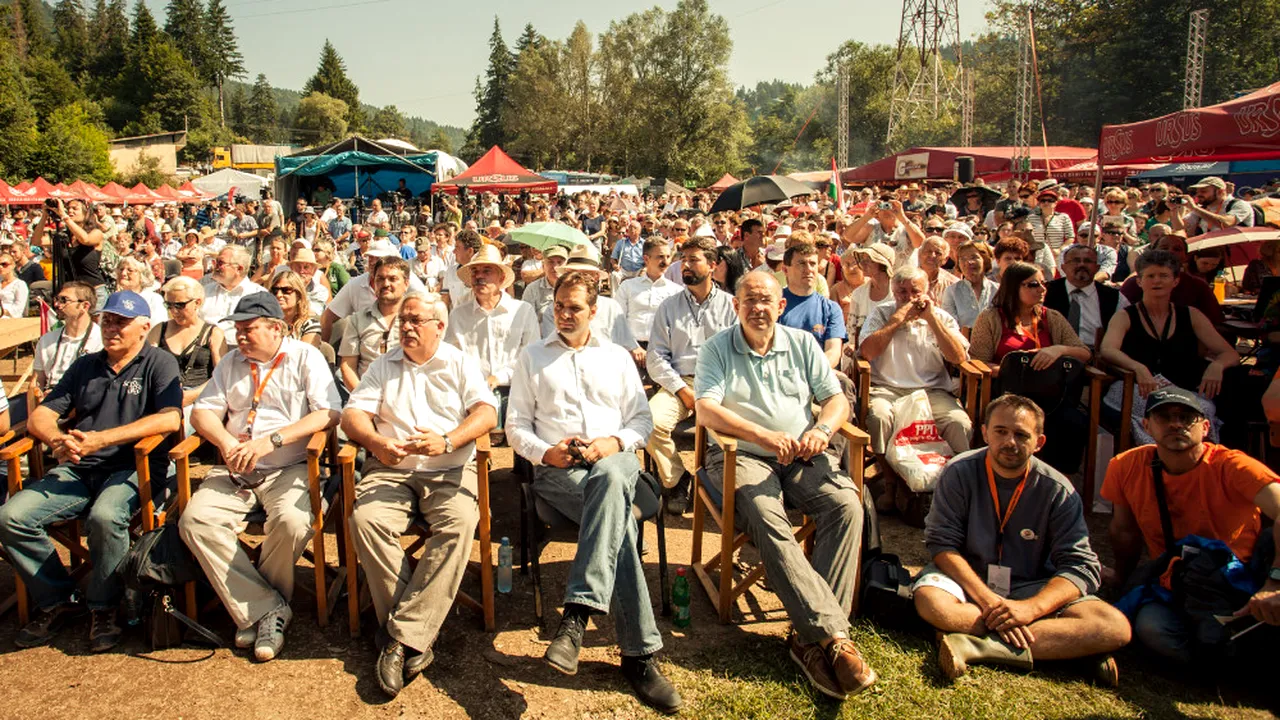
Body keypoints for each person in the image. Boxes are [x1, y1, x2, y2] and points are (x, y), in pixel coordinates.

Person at [694, 271, 876, 701]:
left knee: (846, 504)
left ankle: (807, 638)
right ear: (736, 305)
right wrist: (762, 436)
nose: (758, 308)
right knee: (764, 514)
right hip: (741, 455)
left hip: (799, 453)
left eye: (766, 301)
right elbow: (706, 411)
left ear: (780, 306)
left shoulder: (802, 343)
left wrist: (823, 429)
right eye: (750, 299)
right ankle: (834, 639)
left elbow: (836, 399)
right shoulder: (717, 347)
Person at [506, 271, 681, 714]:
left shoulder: (617, 357)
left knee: (609, 479)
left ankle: (576, 618)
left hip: (615, 460)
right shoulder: (532, 357)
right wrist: (545, 453)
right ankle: (639, 658)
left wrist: (612, 443)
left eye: (574, 308)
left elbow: (641, 420)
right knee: (620, 525)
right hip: (560, 471)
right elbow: (516, 425)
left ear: (594, 311)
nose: (564, 315)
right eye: (558, 307)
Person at [0, 291, 181, 651]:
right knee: (10, 517)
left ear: (144, 327)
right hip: (79, 467)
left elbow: (170, 418)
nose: (111, 328)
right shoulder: (86, 365)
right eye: (106, 321)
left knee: (105, 516)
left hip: (133, 466)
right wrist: (56, 439)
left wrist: (102, 439)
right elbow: (41, 415)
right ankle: (59, 599)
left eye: (121, 322)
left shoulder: (159, 363)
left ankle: (104, 606)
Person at [343, 291, 499, 698]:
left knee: (460, 524)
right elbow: (352, 415)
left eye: (416, 321)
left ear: (439, 327)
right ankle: (414, 632)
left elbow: (487, 413)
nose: (407, 327)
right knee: (366, 520)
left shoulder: (459, 362)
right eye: (403, 321)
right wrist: (376, 442)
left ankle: (398, 637)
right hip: (391, 470)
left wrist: (447, 441)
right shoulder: (384, 364)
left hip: (448, 469)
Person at [915, 394, 1131, 683]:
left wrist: (1030, 609)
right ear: (984, 433)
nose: (1010, 442)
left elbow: (1081, 565)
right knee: (933, 603)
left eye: (1021, 435)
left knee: (1113, 626)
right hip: (970, 582)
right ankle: (1067, 647)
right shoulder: (959, 472)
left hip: (1033, 584)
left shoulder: (1058, 490)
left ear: (1039, 442)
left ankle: (979, 646)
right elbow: (942, 544)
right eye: (1001, 431)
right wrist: (989, 601)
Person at [180, 292, 341, 662]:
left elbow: (329, 413)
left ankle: (255, 608)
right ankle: (269, 610)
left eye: (248, 329)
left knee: (294, 522)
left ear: (276, 329)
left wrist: (272, 441)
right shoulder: (231, 362)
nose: (239, 336)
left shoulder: (305, 356)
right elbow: (203, 412)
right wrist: (224, 442)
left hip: (289, 465)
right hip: (236, 468)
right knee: (195, 521)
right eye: (237, 329)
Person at [1104, 386, 1280, 665]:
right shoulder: (1125, 466)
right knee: (1152, 629)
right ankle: (1226, 656)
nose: (1176, 424)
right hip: (1175, 583)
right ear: (1147, 426)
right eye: (1164, 417)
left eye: (1186, 417)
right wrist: (1122, 579)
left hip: (1242, 581)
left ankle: (1229, 650)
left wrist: (1274, 582)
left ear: (1206, 427)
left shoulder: (1234, 465)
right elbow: (1124, 532)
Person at [1101, 250, 1239, 446]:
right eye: (1150, 276)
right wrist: (1137, 367)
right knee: (1163, 412)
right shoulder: (1125, 316)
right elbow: (1108, 349)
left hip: (1182, 388)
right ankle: (1156, 456)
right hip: (1137, 388)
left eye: (1163, 276)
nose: (1157, 281)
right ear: (1139, 281)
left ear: (1175, 281)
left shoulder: (1191, 315)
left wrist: (1217, 366)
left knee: (1202, 409)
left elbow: (1230, 353)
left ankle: (1194, 458)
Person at [859, 267, 972, 500]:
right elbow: (867, 352)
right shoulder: (882, 313)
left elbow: (959, 357)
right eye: (902, 292)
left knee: (958, 422)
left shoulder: (940, 317)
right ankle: (890, 482)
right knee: (879, 417)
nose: (909, 298)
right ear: (893, 291)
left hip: (932, 390)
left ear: (926, 292)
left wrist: (931, 319)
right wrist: (897, 319)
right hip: (887, 388)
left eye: (915, 292)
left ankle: (956, 485)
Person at [969, 261, 1092, 472]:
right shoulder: (990, 317)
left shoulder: (1051, 317)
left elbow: (1084, 353)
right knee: (1016, 422)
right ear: (1014, 287)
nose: (1042, 289)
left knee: (1074, 422)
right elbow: (978, 362)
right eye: (1033, 284)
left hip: (1051, 396)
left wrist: (1058, 350)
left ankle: (1057, 480)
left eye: (1044, 284)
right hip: (1007, 393)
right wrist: (1016, 370)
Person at [644, 236, 737, 513]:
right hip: (681, 383)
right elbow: (655, 356)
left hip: (722, 384)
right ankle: (677, 479)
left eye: (693, 260)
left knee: (739, 429)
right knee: (650, 422)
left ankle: (722, 488)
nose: (685, 266)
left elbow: (739, 354)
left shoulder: (731, 306)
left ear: (713, 265)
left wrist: (716, 391)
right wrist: (681, 390)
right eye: (683, 260)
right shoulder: (668, 306)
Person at [444, 244, 540, 443]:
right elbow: (451, 357)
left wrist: (499, 377)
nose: (479, 277)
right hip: (470, 395)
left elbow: (531, 357)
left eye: (487, 271)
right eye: (475, 272)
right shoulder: (458, 315)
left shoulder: (522, 311)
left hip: (515, 390)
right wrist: (474, 381)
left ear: (502, 278)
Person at [537, 245, 642, 362]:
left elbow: (627, 344)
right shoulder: (553, 311)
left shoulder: (611, 307)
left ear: (596, 277)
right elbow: (552, 349)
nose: (579, 280)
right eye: (574, 274)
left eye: (585, 274)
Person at [321, 241, 428, 343]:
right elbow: (328, 316)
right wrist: (322, 348)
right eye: (370, 258)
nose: (372, 262)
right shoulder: (356, 285)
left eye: (378, 258)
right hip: (366, 345)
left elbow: (428, 309)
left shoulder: (408, 280)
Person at [147, 275, 224, 411]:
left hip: (199, 400)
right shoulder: (159, 330)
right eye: (169, 305)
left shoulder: (213, 333)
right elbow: (146, 366)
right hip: (162, 396)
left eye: (180, 305)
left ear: (197, 302)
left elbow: (221, 375)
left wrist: (192, 395)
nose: (174, 311)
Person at [340, 257, 411, 391]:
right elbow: (348, 366)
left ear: (406, 284)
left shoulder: (417, 319)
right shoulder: (357, 320)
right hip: (366, 392)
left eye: (393, 279)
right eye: (380, 279)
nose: (386, 284)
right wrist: (363, 396)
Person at [32, 281, 103, 404]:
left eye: (64, 300)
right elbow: (35, 383)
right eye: (57, 299)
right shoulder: (46, 340)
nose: (56, 304)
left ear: (84, 306)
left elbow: (100, 387)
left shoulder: (101, 340)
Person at [1045, 245, 1127, 350]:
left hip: (1098, 355)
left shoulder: (1114, 298)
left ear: (1097, 267)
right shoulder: (1045, 291)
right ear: (1063, 267)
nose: (1082, 265)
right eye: (1075, 261)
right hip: (1052, 353)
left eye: (1088, 261)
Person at [779, 242, 847, 369]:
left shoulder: (831, 309)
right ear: (785, 270)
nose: (809, 269)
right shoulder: (774, 305)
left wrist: (811, 373)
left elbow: (833, 352)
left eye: (813, 264)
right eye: (801, 263)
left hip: (819, 373)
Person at [34, 199, 106, 305]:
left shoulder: (96, 233)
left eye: (75, 208)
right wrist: (45, 215)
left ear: (86, 213)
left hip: (94, 292)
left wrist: (64, 215)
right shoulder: (64, 236)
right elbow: (36, 241)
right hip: (72, 295)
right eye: (68, 209)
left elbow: (85, 239)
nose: (70, 211)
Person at [615, 238, 682, 345]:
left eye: (668, 257)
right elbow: (617, 320)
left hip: (663, 348)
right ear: (646, 259)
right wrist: (632, 347)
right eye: (660, 257)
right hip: (631, 346)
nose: (666, 262)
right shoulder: (627, 287)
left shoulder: (676, 291)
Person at [201, 245, 268, 345]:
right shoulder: (204, 292)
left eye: (220, 263)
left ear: (239, 269)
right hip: (203, 349)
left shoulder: (259, 295)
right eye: (215, 262)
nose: (215, 267)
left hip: (242, 349)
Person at [941, 240, 998, 335]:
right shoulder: (951, 292)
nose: (968, 262)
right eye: (963, 259)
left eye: (974, 257)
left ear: (985, 260)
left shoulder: (998, 290)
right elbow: (949, 326)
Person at [1175, 176, 1255, 237]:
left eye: (1203, 191)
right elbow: (1179, 227)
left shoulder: (1239, 204)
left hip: (1235, 249)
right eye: (1197, 192)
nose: (1198, 195)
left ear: (1220, 192)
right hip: (1213, 250)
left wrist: (1194, 208)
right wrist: (1173, 210)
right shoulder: (1203, 208)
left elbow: (1226, 223)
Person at [269, 270, 322, 347]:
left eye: (286, 290)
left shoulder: (310, 325)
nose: (279, 295)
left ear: (298, 295)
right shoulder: (265, 323)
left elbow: (306, 353)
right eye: (275, 290)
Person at [520, 244, 567, 319]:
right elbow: (525, 318)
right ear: (543, 266)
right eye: (551, 262)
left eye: (559, 262)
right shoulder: (532, 289)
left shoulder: (573, 288)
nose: (555, 267)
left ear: (566, 267)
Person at [114, 256, 166, 324]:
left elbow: (158, 326)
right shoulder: (115, 298)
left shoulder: (153, 299)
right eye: (121, 269)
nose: (123, 273)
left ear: (142, 276)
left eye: (130, 270)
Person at [919, 235, 959, 302]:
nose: (932, 255)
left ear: (945, 259)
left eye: (938, 253)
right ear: (919, 254)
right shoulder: (905, 279)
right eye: (928, 251)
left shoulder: (953, 285)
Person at [0, 251, 29, 317]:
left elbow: (18, 310)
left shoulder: (20, 284)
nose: (0, 267)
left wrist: (3, 311)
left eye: (4, 264)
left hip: (10, 319)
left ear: (13, 265)